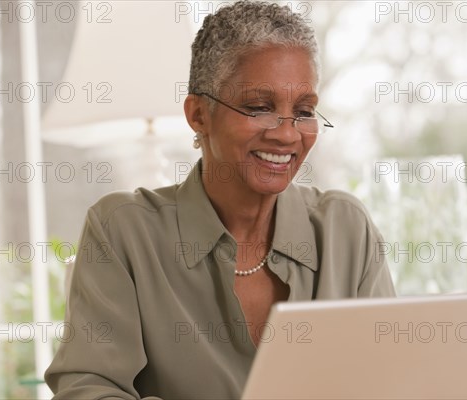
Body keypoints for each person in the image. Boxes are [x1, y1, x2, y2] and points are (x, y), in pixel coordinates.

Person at [45, 1, 395, 398]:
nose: (286, 134)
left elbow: (389, 380)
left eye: (303, 111)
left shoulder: (344, 229)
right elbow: (87, 389)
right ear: (198, 114)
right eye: (259, 108)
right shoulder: (123, 231)